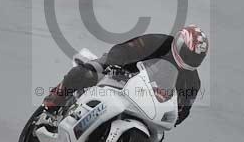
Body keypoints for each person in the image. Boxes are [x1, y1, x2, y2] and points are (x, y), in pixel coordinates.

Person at [40, 25, 208, 126]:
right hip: (120, 73)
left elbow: (184, 109)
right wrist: (112, 63)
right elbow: (126, 48)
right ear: (179, 43)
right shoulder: (159, 42)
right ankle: (51, 108)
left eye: (196, 57)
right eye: (188, 53)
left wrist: (173, 118)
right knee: (87, 72)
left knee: (159, 136)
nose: (190, 59)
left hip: (144, 103)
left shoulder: (192, 81)